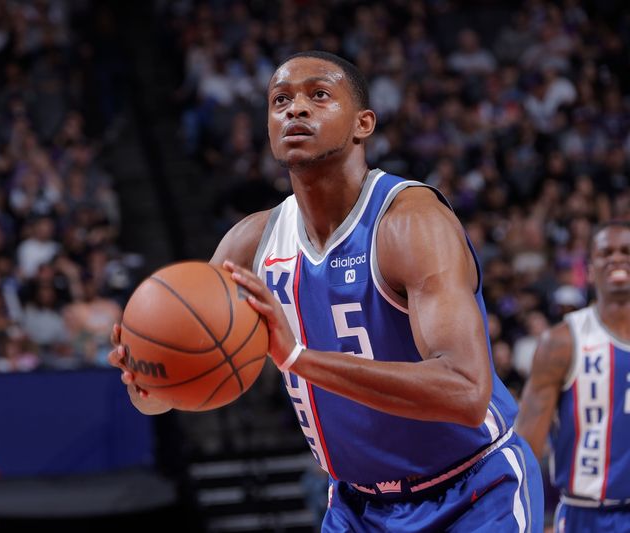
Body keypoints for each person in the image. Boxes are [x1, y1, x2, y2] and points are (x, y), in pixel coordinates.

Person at [109, 50, 542, 531]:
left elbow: (465, 393)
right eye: (280, 100)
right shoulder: (251, 243)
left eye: (318, 95)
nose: (295, 109)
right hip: (357, 507)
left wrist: (297, 357)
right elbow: (180, 385)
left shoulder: (410, 222)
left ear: (363, 124)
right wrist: (149, 379)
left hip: (474, 493)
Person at [516, 221, 630, 532]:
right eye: (606, 252)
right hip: (586, 515)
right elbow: (526, 444)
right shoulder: (563, 341)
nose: (617, 259)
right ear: (591, 269)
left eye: (626, 251)